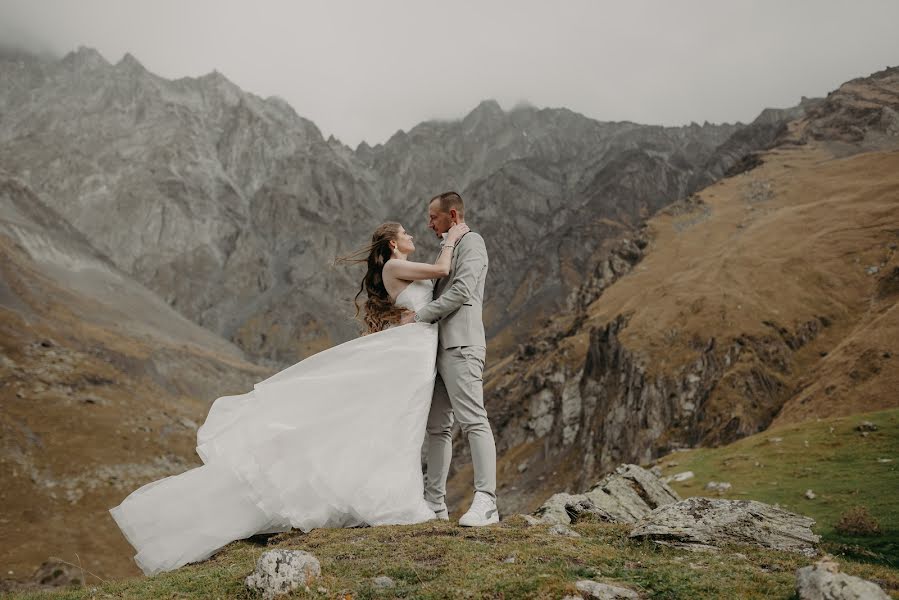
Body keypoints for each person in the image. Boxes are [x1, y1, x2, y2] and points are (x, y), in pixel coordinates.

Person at [109, 220, 470, 575]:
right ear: (392, 244)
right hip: (405, 355)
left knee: (396, 426)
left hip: (416, 355)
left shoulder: (398, 265)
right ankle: (395, 499)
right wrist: (454, 237)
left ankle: (394, 494)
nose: (410, 236)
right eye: (405, 233)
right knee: (390, 423)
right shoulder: (395, 265)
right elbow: (442, 269)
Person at [405, 191, 499, 527]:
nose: (429, 224)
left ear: (453, 214)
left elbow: (462, 291)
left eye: (433, 217)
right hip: (440, 351)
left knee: (473, 419)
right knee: (438, 428)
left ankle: (487, 501)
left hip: (463, 346)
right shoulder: (451, 247)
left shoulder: (473, 242)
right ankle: (435, 504)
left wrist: (419, 317)